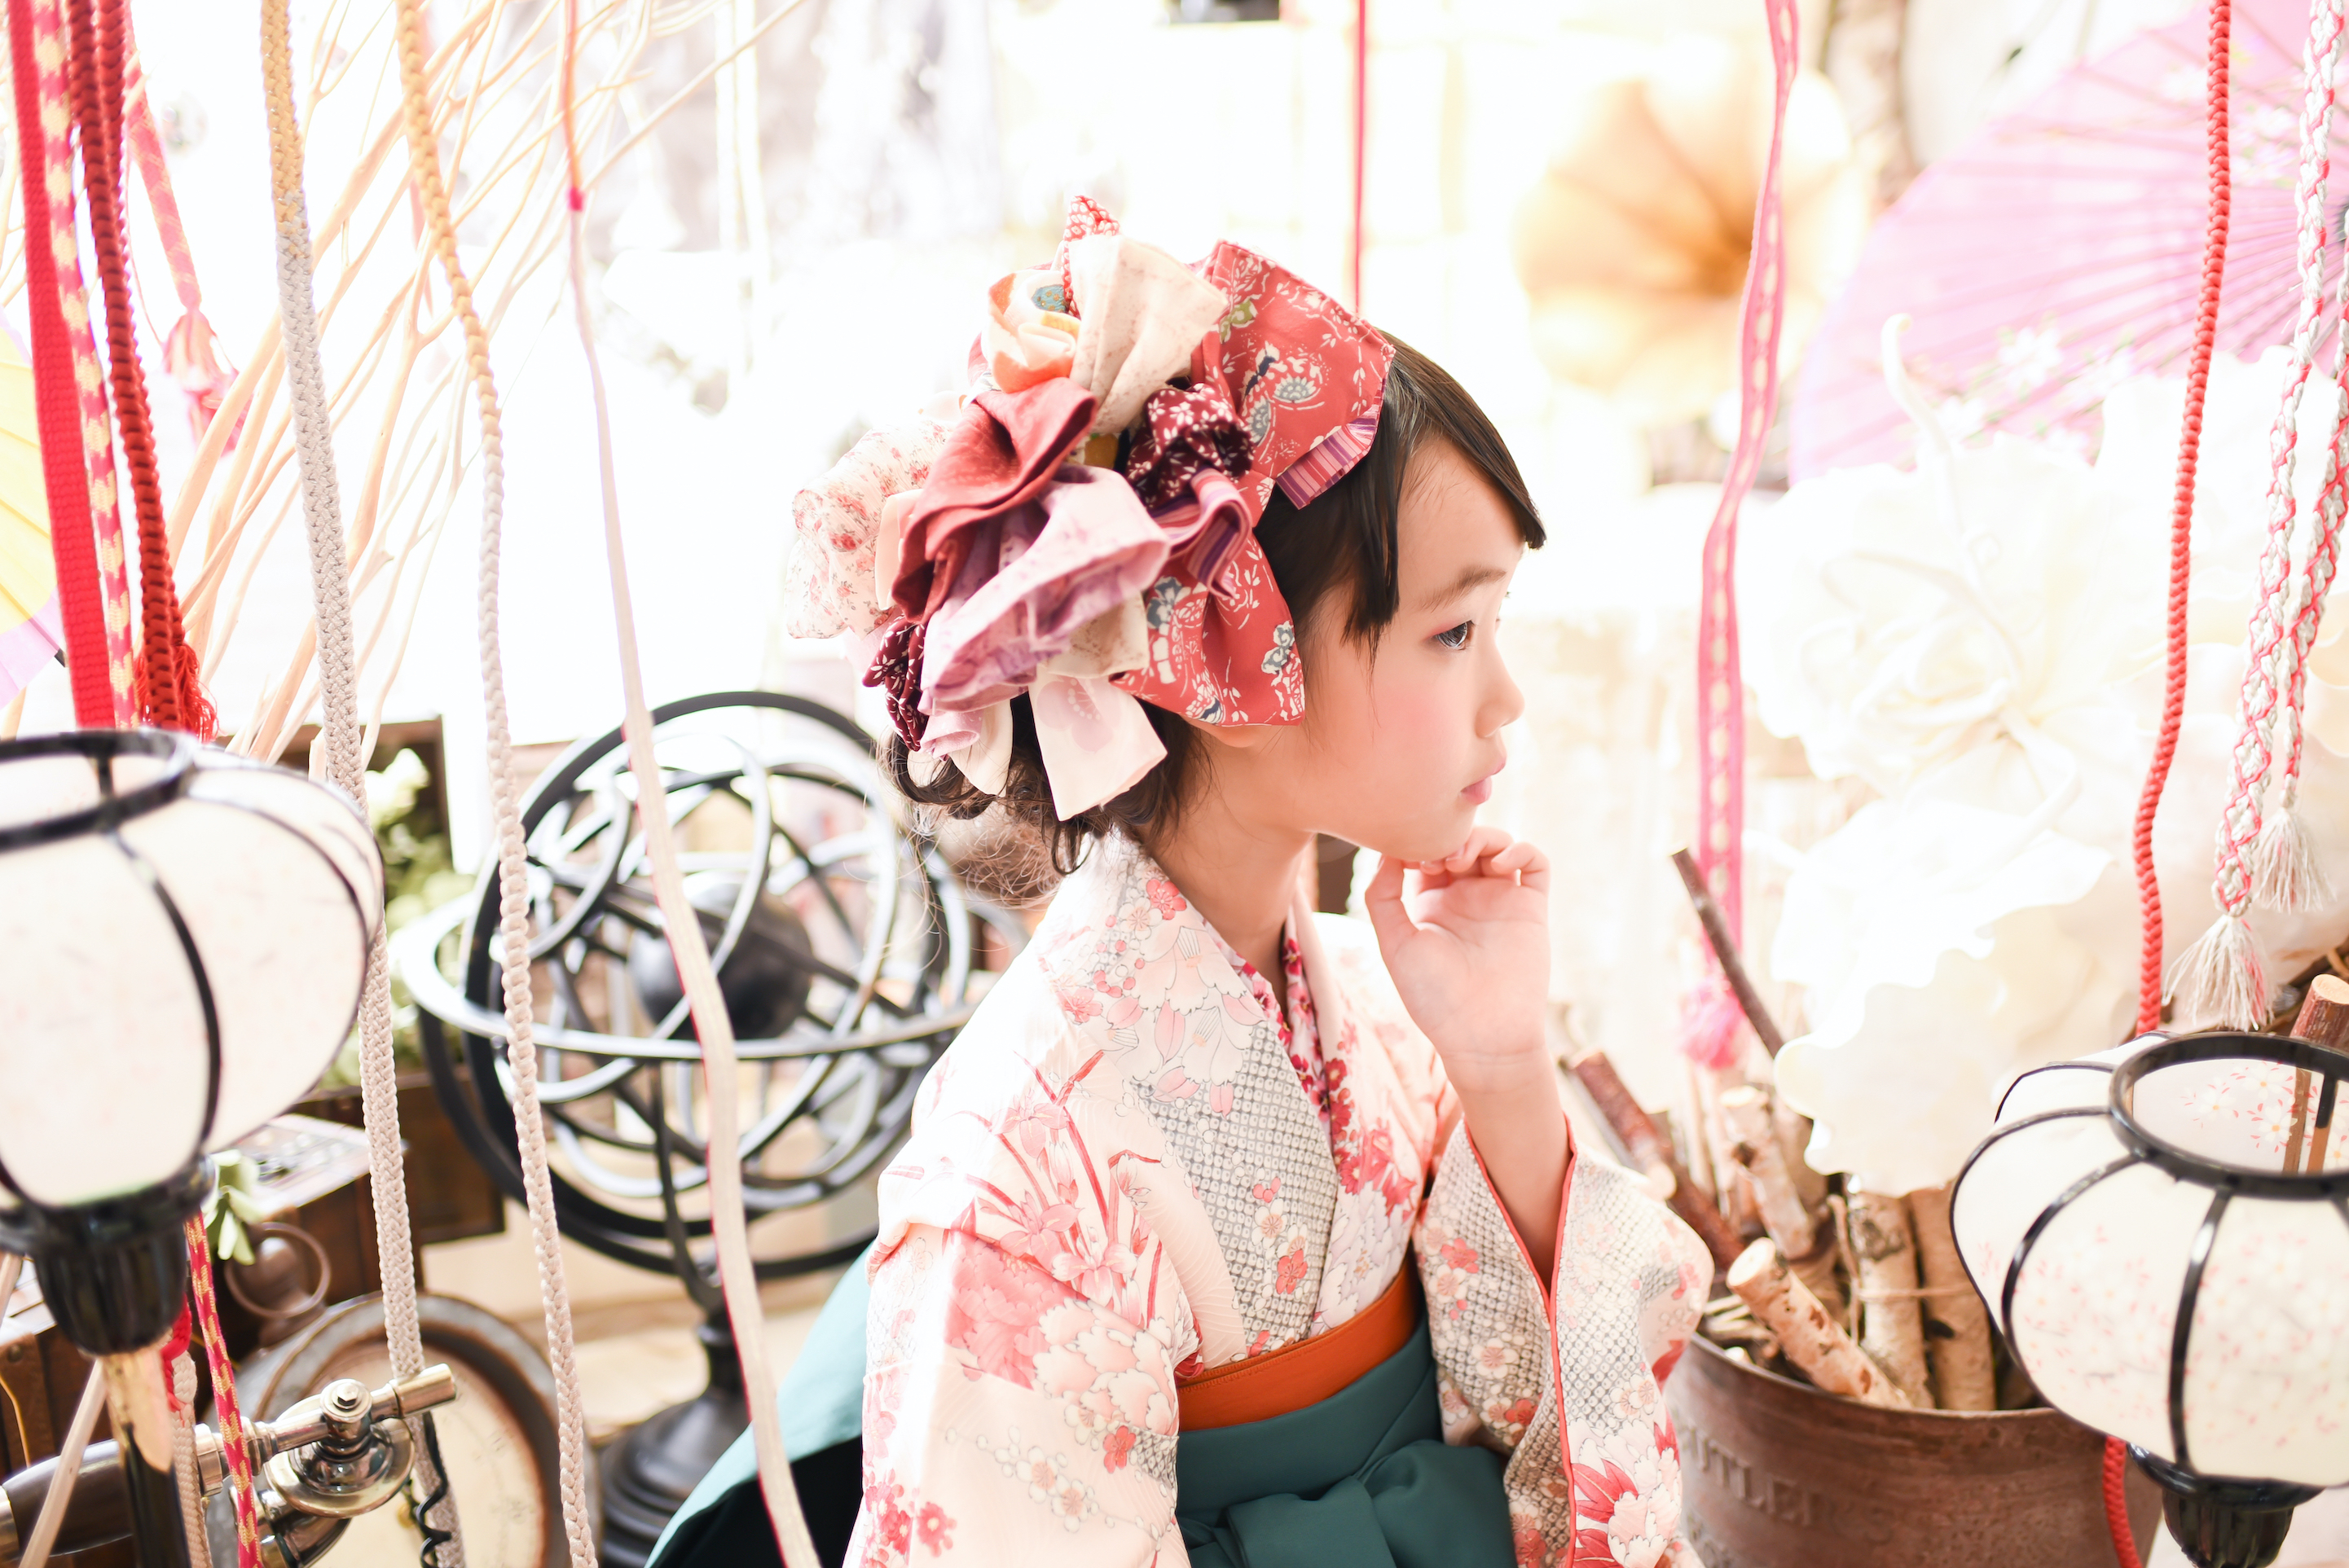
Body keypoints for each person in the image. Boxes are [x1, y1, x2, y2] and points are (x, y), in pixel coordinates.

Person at [656, 201, 1710, 1568]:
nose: (1506, 696)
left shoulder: (1394, 1013)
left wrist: (1504, 1065)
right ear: (1232, 662)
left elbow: (1546, 1428)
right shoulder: (1021, 1145)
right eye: (1455, 630)